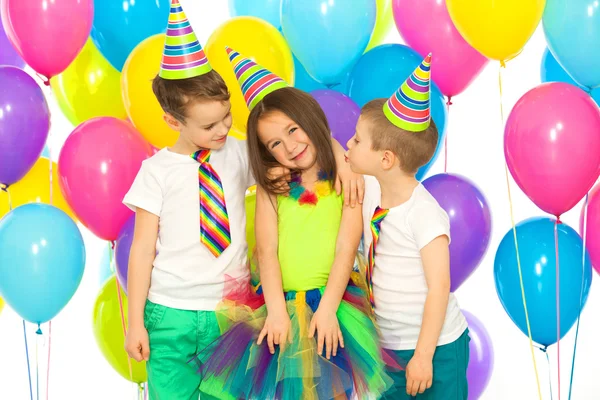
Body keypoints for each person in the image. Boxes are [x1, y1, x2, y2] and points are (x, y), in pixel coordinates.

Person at [122, 3, 361, 398]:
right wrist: (135, 322)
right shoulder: (156, 171)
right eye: (209, 125)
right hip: (169, 310)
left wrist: (343, 162)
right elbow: (142, 250)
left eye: (227, 117)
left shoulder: (236, 153)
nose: (222, 129)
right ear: (173, 122)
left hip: (227, 312)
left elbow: (302, 151)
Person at [194, 48, 392, 400]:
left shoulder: (346, 181)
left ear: (309, 118)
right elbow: (267, 253)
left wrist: (328, 309)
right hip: (279, 303)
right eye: (275, 143)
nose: (290, 145)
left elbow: (348, 248)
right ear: (267, 153)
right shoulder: (274, 189)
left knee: (334, 390)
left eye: (293, 129)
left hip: (334, 304)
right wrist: (275, 313)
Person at [345, 54, 470, 400]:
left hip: (437, 348)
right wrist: (347, 166)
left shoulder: (424, 212)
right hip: (389, 346)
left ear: (386, 159)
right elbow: (333, 157)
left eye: (356, 141)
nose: (348, 146)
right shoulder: (371, 188)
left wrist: (424, 356)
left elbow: (439, 287)